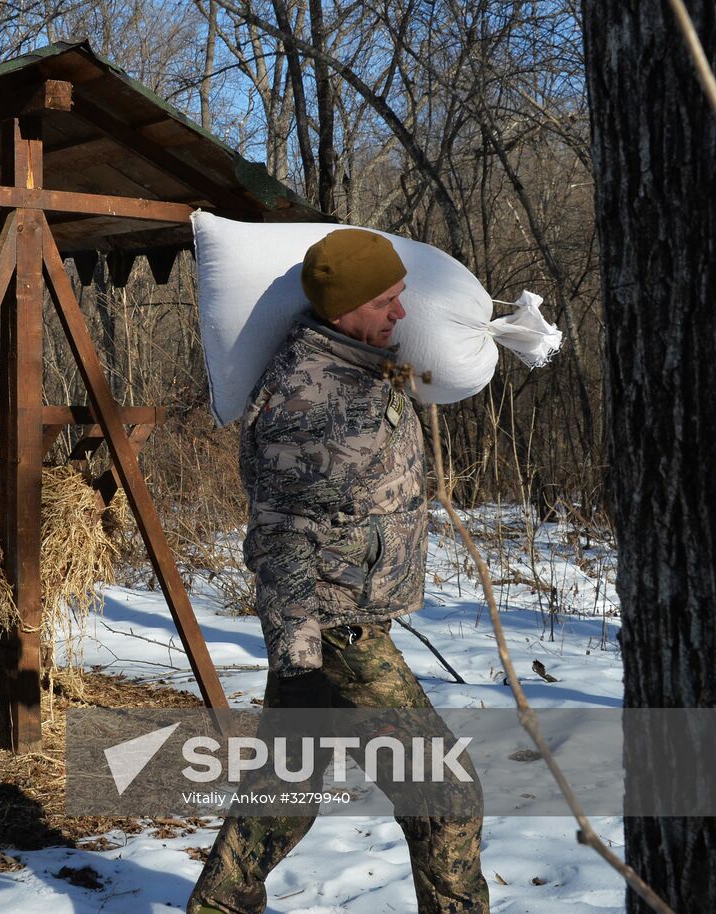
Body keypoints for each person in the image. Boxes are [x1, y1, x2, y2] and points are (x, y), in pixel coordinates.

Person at [186, 229, 489, 914]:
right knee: (447, 797)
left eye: (400, 297)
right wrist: (302, 664)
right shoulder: (306, 403)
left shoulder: (362, 365)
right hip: (337, 632)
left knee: (286, 790)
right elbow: (280, 541)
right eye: (384, 302)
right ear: (341, 307)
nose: (400, 313)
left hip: (345, 617)